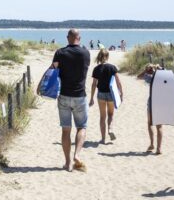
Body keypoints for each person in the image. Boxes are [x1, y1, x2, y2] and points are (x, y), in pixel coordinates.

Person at [37, 28, 91, 172]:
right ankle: (77, 155)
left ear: (68, 38)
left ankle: (68, 163)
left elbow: (51, 70)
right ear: (79, 38)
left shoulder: (60, 53)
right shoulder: (86, 53)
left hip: (64, 96)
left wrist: (40, 85)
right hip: (80, 96)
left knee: (66, 130)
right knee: (82, 127)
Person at [88, 49, 123, 144]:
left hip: (101, 94)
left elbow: (94, 84)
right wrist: (121, 93)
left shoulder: (96, 69)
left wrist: (91, 98)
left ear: (99, 56)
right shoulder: (112, 68)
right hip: (111, 94)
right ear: (107, 57)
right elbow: (118, 82)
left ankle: (103, 139)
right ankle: (110, 129)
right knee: (111, 114)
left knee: (102, 116)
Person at [137, 63, 163, 154]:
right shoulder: (164, 79)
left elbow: (139, 76)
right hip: (161, 103)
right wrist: (158, 67)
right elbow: (167, 73)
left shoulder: (151, 79)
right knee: (159, 126)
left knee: (150, 123)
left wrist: (146, 70)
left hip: (152, 102)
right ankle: (159, 148)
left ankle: (152, 144)